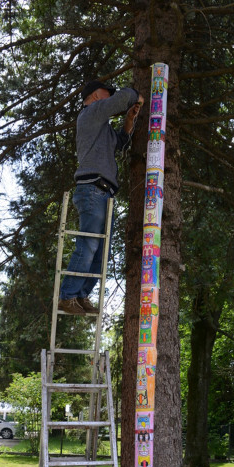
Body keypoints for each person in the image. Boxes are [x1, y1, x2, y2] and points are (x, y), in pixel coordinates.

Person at [58, 79, 144, 315]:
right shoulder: (90, 114)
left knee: (101, 252)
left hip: (104, 193)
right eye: (107, 94)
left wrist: (129, 120)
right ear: (95, 96)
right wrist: (135, 95)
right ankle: (67, 296)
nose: (110, 98)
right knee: (89, 245)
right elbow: (121, 99)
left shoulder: (102, 128)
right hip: (92, 189)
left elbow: (121, 142)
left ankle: (81, 294)